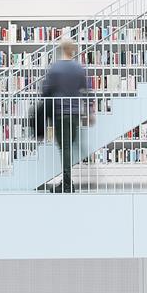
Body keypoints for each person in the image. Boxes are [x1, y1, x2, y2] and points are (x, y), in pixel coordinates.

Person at [42, 40, 87, 193]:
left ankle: (67, 184)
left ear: (61, 50)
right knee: (69, 147)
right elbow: (86, 89)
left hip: (60, 113)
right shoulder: (78, 68)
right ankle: (67, 181)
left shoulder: (56, 68)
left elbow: (45, 90)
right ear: (72, 50)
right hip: (75, 113)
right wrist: (90, 111)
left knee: (65, 148)